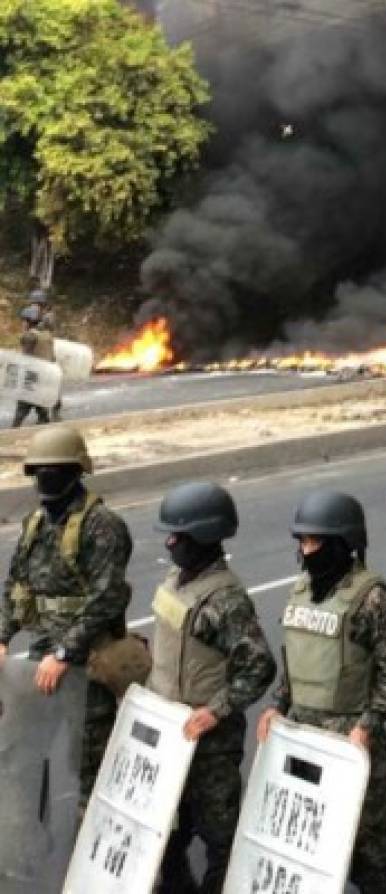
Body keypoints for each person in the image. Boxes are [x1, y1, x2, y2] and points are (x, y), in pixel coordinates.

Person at [257, 490, 386, 894]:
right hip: (304, 738)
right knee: (310, 841)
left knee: (367, 846)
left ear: (343, 543)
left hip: (350, 741)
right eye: (302, 542)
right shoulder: (302, 590)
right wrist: (277, 705)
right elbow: (293, 658)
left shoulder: (370, 598)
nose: (307, 551)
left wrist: (367, 725)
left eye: (315, 542)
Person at [148, 482, 277, 892]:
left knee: (219, 835)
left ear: (204, 536)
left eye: (178, 536)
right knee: (168, 828)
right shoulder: (177, 580)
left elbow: (259, 666)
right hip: (170, 731)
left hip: (209, 743)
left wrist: (216, 710)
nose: (170, 543)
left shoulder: (226, 599)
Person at [0, 427, 133, 813]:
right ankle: (30, 850)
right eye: (39, 470)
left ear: (77, 471)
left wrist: (64, 652)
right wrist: (4, 635)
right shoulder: (35, 525)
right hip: (43, 661)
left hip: (89, 664)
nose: (46, 478)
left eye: (54, 470)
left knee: (89, 765)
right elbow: (15, 584)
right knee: (23, 753)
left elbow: (107, 596)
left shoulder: (101, 525)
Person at [12, 304, 56, 428]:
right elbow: (52, 357)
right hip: (45, 377)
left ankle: (11, 433)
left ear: (29, 322)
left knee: (21, 410)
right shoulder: (47, 335)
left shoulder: (29, 336)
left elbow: (26, 358)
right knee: (42, 411)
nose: (22, 324)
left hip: (32, 378)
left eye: (24, 321)